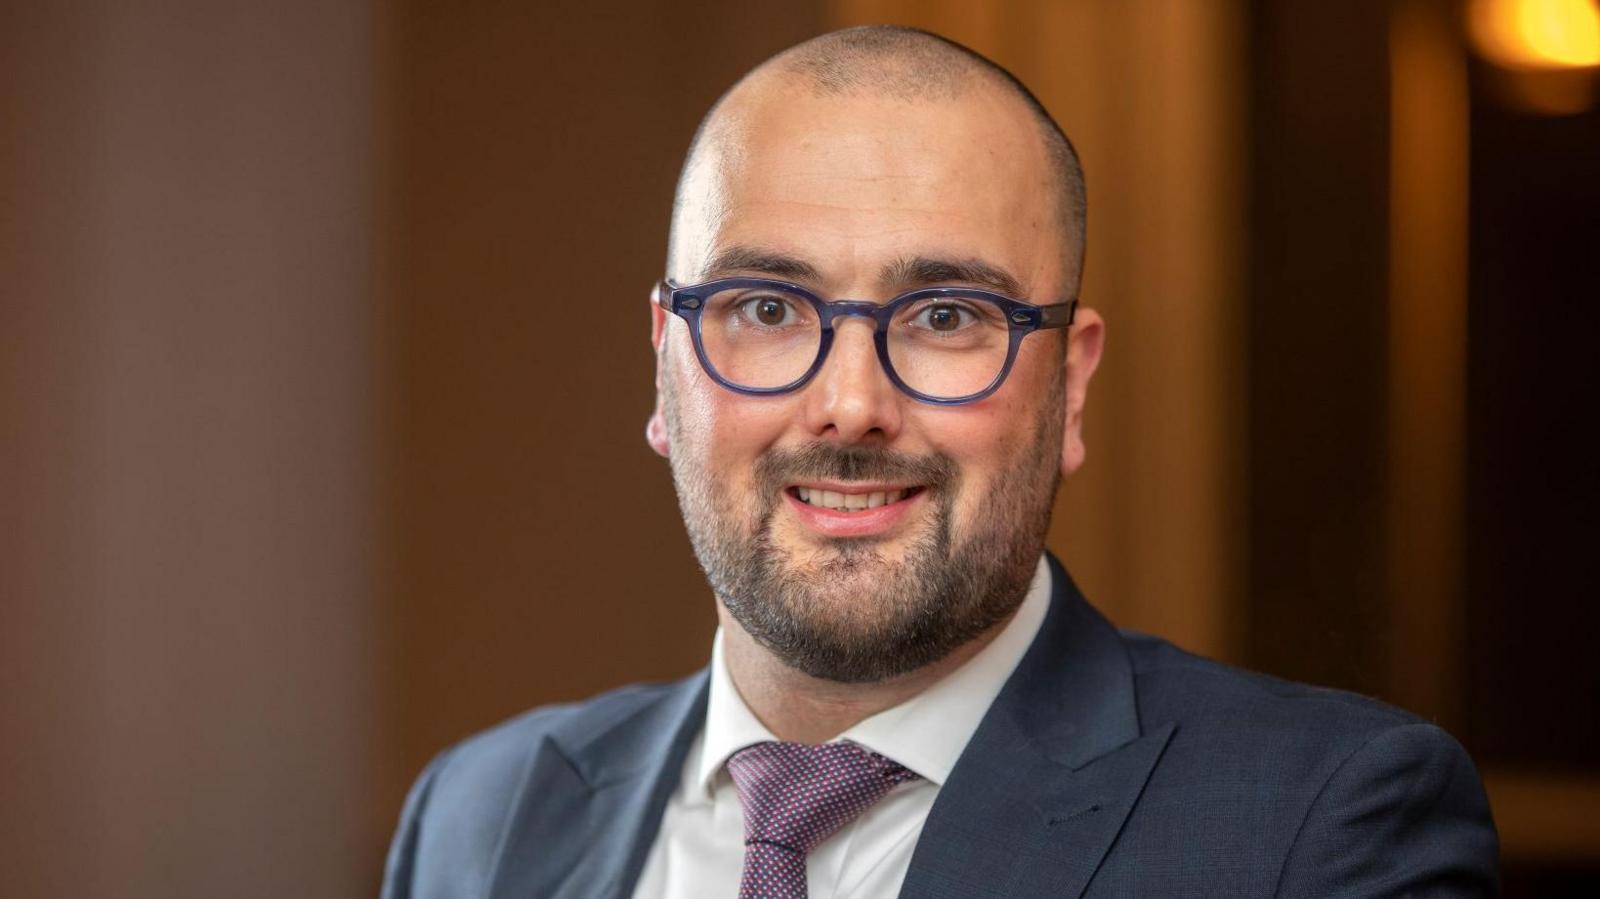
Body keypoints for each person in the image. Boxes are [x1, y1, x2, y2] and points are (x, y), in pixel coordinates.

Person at [382, 26, 1499, 899]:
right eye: (767, 306)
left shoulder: (1317, 830)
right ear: (667, 369)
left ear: (1069, 385)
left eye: (946, 314)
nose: (850, 404)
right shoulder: (480, 816)